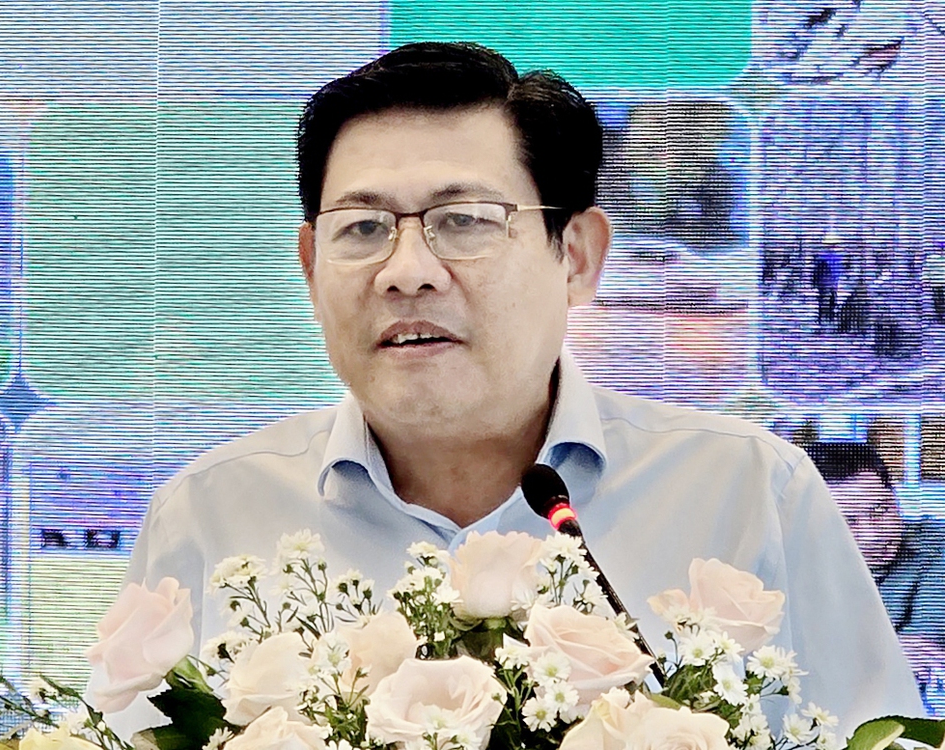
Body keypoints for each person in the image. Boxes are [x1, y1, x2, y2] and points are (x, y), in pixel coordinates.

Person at [124, 42, 921, 731]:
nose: (407, 272)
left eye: (464, 220)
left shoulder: (752, 494)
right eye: (362, 229)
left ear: (576, 255)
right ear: (309, 266)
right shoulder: (208, 515)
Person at [806, 441, 945, 702]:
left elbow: (923, 653)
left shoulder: (936, 548)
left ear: (895, 497)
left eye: (880, 510)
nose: (872, 535)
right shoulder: (787, 565)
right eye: (848, 521)